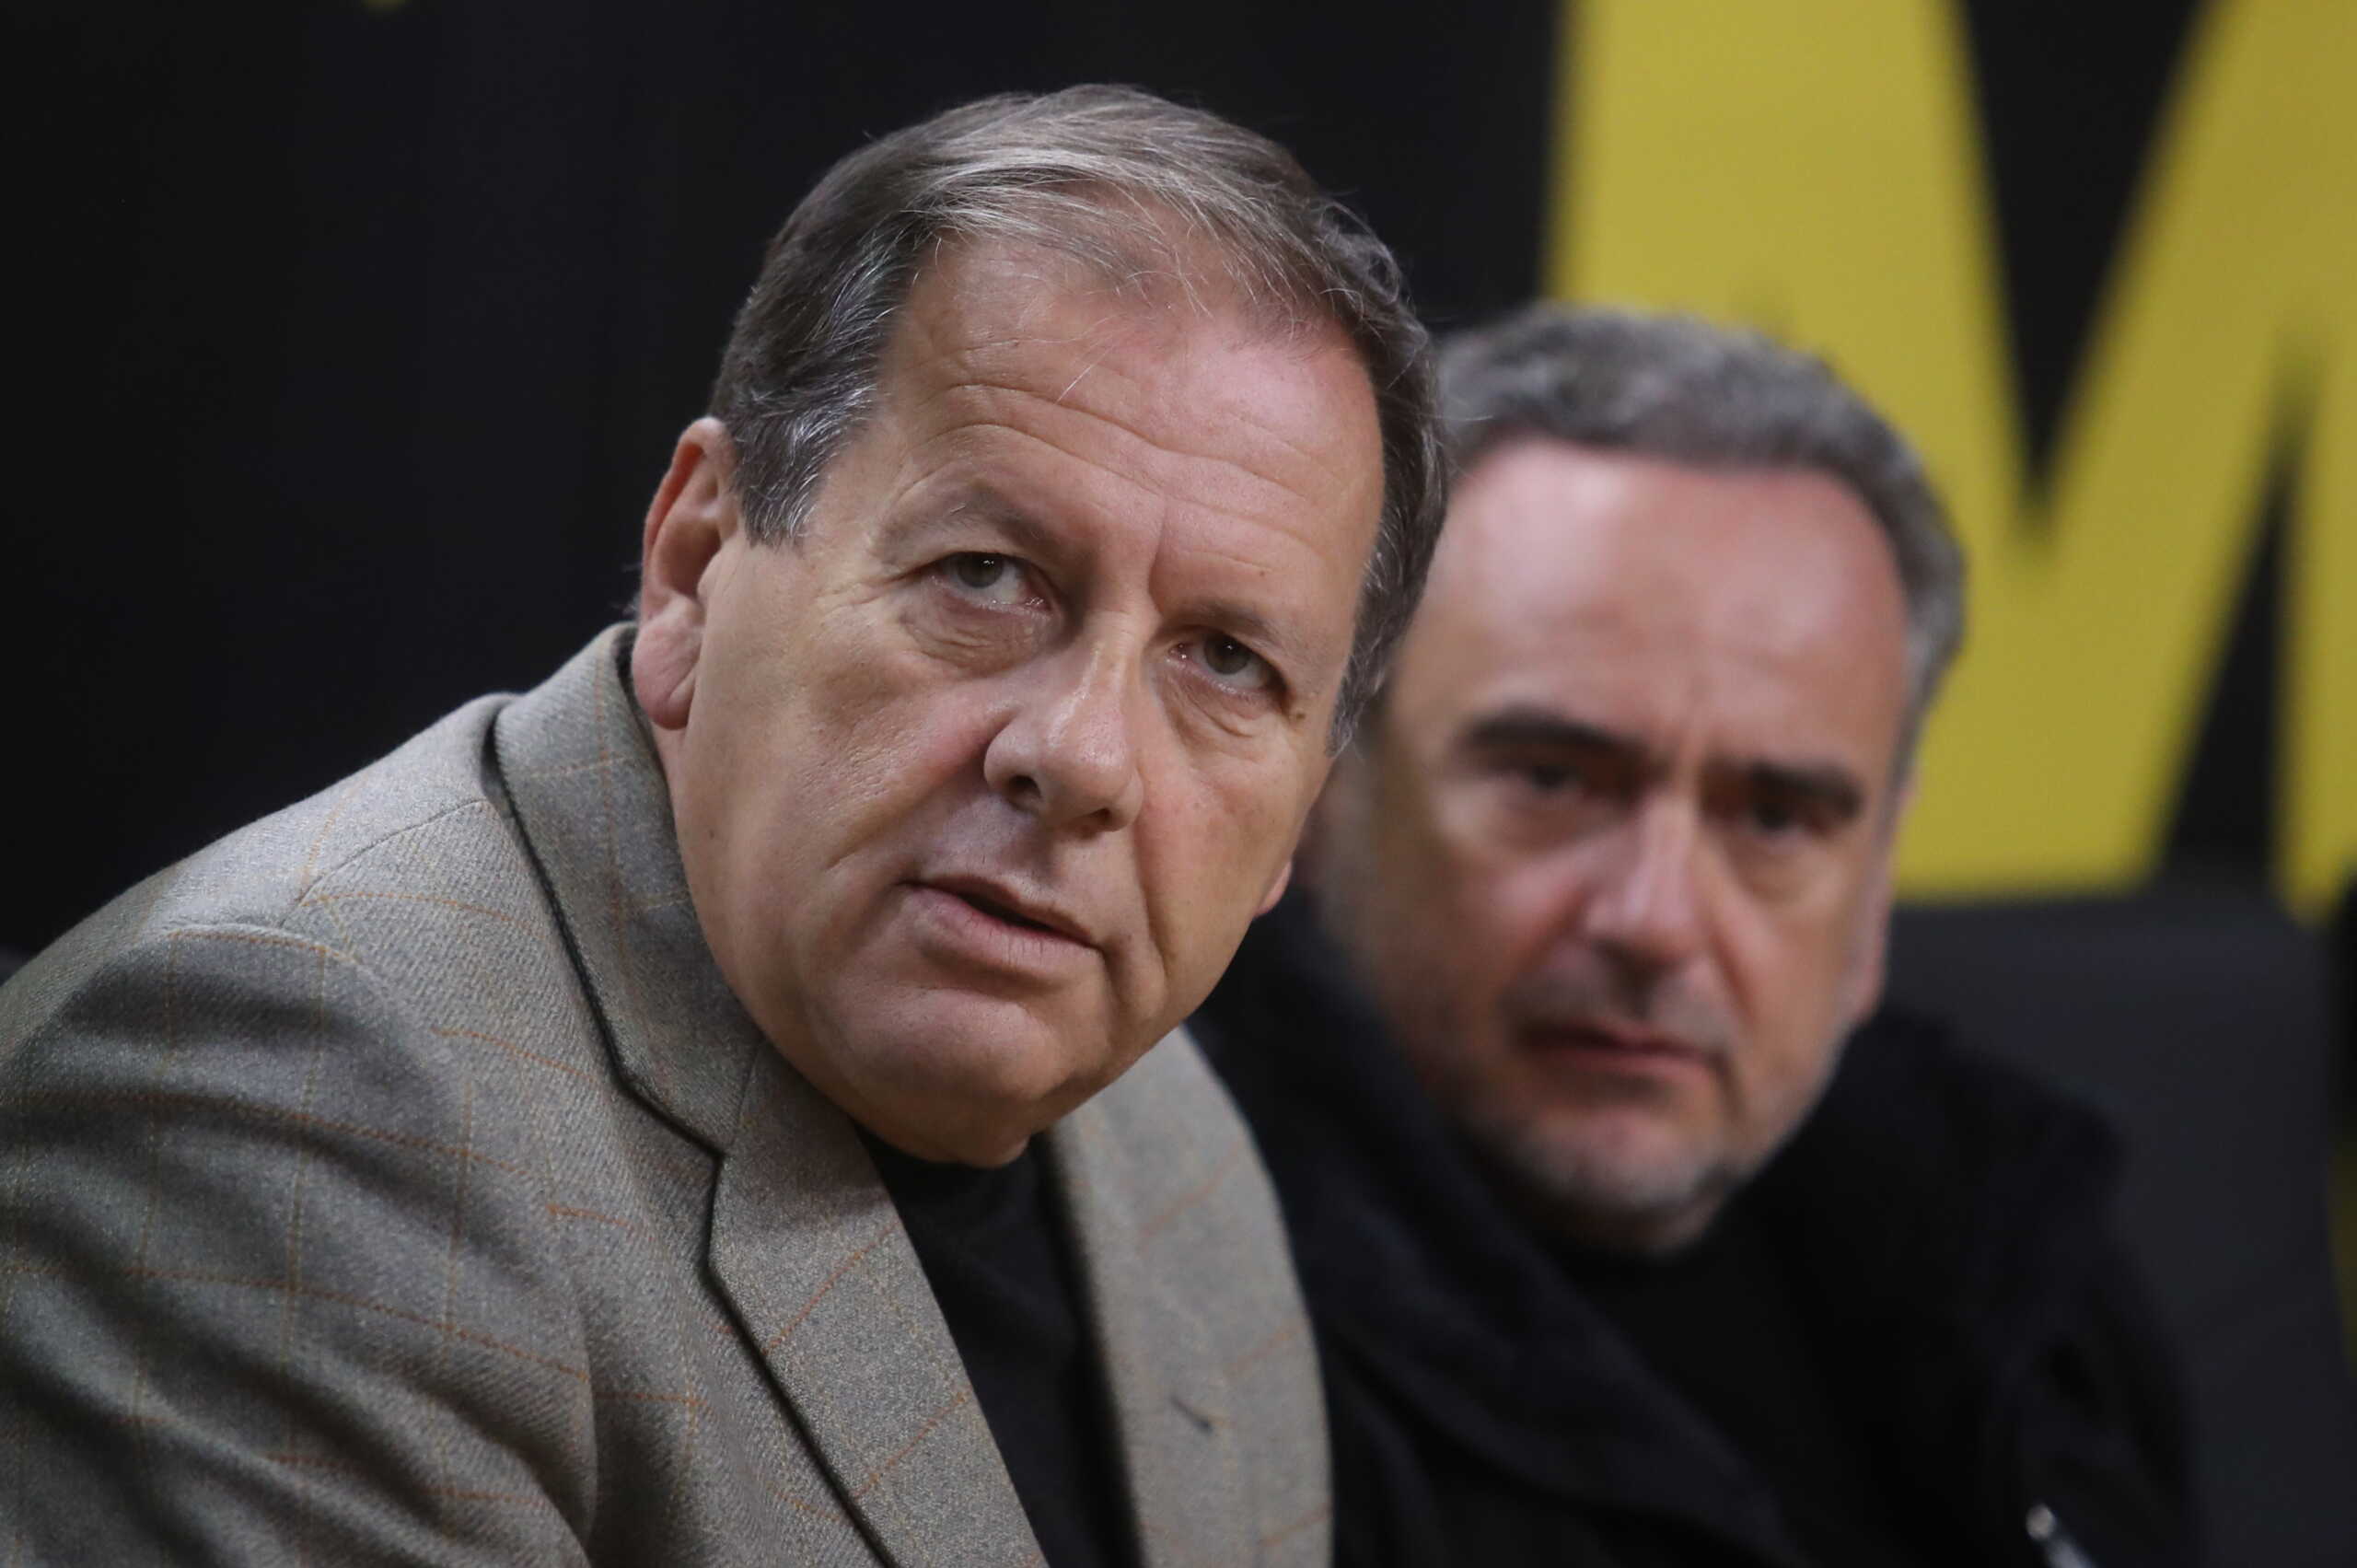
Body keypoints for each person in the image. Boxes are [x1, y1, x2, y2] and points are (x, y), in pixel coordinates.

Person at [0, 87, 1444, 1566]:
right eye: (985, 575)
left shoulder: (1172, 1144)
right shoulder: (294, 1103)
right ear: (694, 565)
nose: (1080, 756)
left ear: (1304, 813)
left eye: (1226, 662)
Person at [1192, 306, 2193, 1568]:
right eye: (1553, 780)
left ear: (1878, 874)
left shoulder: (2023, 1253)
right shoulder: (1161, 1301)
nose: (1655, 922)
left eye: (1774, 817)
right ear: (1331, 783)